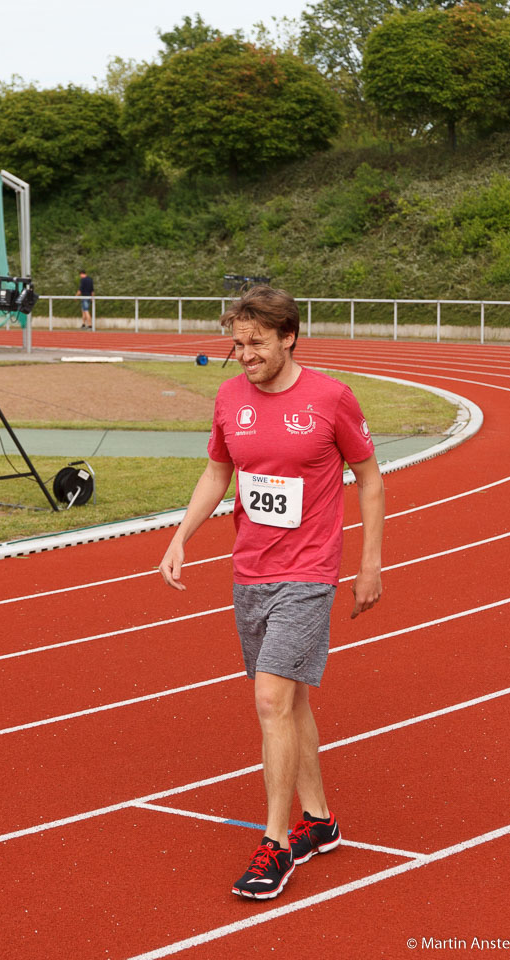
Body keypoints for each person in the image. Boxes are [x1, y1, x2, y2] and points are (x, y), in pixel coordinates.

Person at [159, 285, 384, 901]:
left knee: (269, 698)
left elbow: (369, 477)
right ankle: (320, 821)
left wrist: (369, 565)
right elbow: (217, 471)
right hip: (249, 571)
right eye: (237, 344)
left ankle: (276, 845)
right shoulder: (231, 397)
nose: (245, 356)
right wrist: (182, 537)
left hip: (309, 573)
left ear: (288, 336)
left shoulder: (331, 398)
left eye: (256, 344)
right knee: (289, 703)